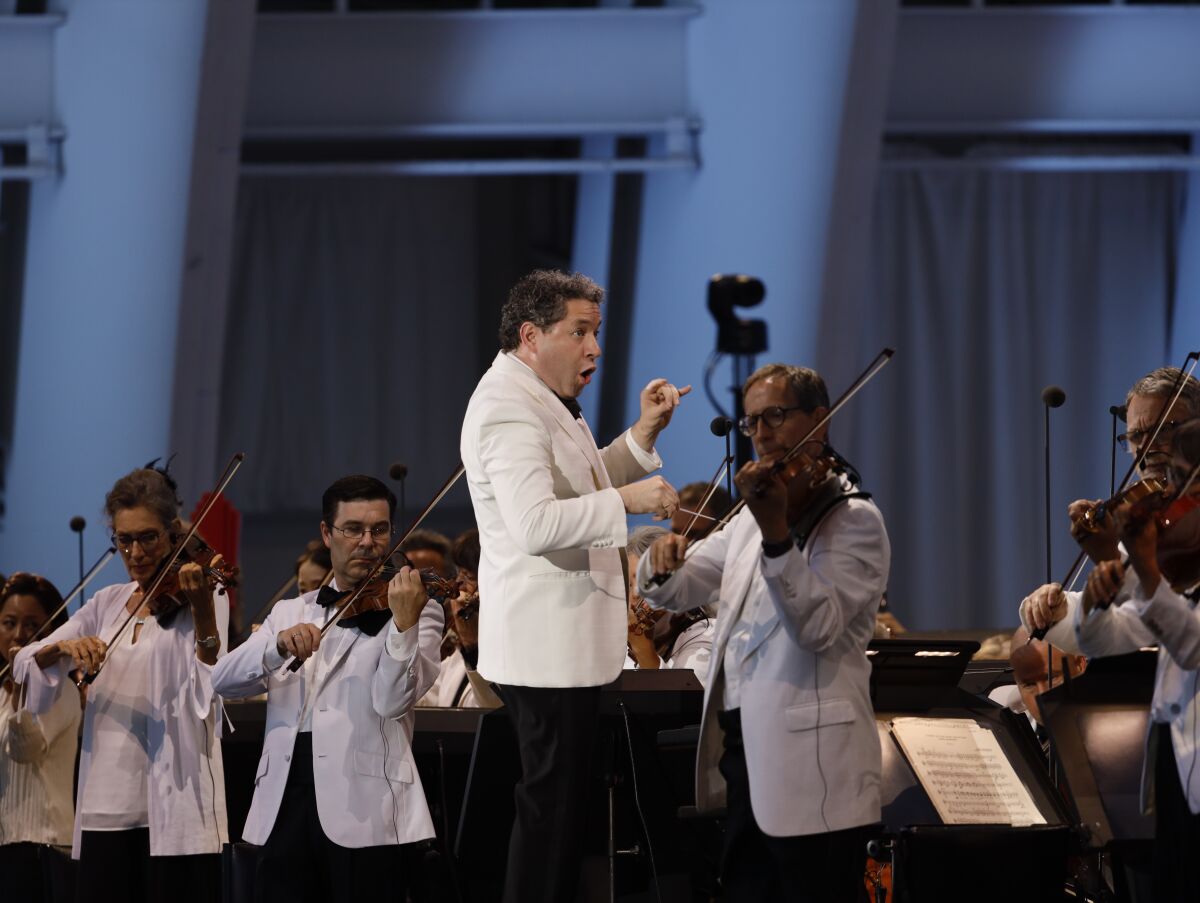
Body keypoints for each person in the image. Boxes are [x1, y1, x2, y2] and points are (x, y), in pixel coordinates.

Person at [460, 269, 687, 901]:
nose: (595, 348)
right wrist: (628, 500)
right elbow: (535, 524)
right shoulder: (507, 407)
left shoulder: (535, 395)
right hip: (545, 648)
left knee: (560, 817)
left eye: (596, 332)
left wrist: (643, 436)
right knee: (551, 818)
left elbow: (580, 484)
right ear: (531, 336)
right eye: (580, 332)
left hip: (562, 648)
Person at [638, 362, 889, 902]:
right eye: (751, 421)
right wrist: (660, 562)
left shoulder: (853, 519)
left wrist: (778, 535)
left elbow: (817, 628)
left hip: (814, 769)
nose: (761, 433)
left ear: (819, 420)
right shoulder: (754, 516)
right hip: (745, 754)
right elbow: (682, 585)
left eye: (774, 415)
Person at [211, 474, 444, 903]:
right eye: (353, 529)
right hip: (283, 803)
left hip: (368, 808)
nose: (367, 542)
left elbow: (392, 702)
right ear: (327, 533)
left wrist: (403, 625)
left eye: (379, 529)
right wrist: (277, 647)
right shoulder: (289, 611)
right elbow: (222, 680)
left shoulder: (419, 611)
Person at [13, 467, 228, 903]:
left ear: (172, 533)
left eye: (148, 538)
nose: (136, 552)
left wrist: (203, 610)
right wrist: (64, 648)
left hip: (175, 803)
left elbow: (211, 681)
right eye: (124, 540)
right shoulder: (106, 603)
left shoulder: (205, 594)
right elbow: (24, 660)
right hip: (105, 805)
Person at [1021, 399, 1200, 902]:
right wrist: (1099, 574)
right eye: (1134, 435)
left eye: (1161, 432)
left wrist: (1140, 568)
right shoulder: (1166, 535)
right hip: (1174, 755)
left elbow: (1190, 643)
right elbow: (1112, 635)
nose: (1145, 449)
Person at [0, 573, 79, 903]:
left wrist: (20, 690)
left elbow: (25, 750)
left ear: (52, 632)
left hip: (44, 846)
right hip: (8, 845)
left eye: (32, 625)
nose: (19, 634)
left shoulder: (61, 690)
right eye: (9, 623)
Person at [624, 525, 714, 686]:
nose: (635, 594)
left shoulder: (706, 633)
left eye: (645, 582)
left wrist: (642, 648)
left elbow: (684, 700)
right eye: (628, 585)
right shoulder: (621, 639)